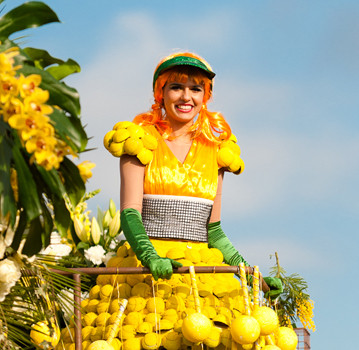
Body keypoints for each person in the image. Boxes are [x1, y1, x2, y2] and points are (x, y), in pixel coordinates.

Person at [106, 51, 282, 296]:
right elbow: (130, 213)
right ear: (161, 93)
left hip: (200, 274)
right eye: (176, 87)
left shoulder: (217, 150)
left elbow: (214, 233)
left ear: (206, 96)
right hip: (147, 275)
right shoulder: (139, 142)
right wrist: (150, 257)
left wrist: (253, 276)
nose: (186, 97)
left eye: (196, 89)